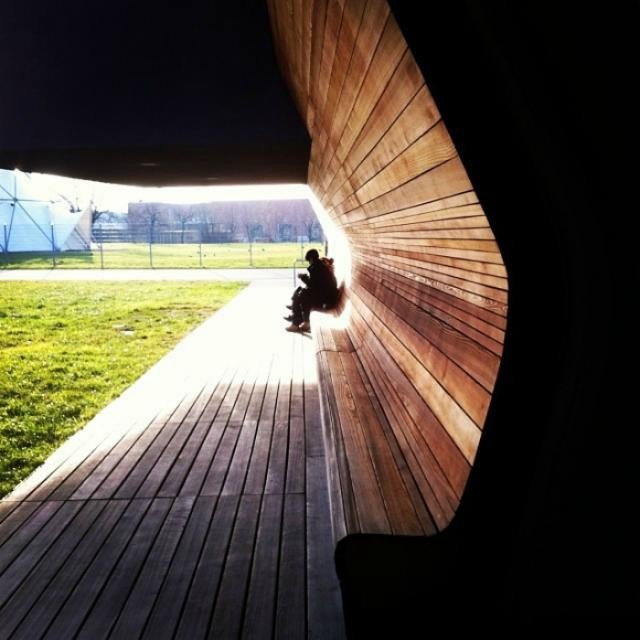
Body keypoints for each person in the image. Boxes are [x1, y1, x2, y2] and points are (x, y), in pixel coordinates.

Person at [285, 249, 338, 332]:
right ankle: (302, 320)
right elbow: (316, 284)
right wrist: (306, 278)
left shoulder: (317, 268)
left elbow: (312, 285)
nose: (309, 263)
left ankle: (296, 323)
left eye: (309, 261)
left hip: (324, 299)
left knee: (301, 295)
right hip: (326, 296)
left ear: (311, 259)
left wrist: (303, 277)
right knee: (301, 293)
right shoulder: (320, 266)